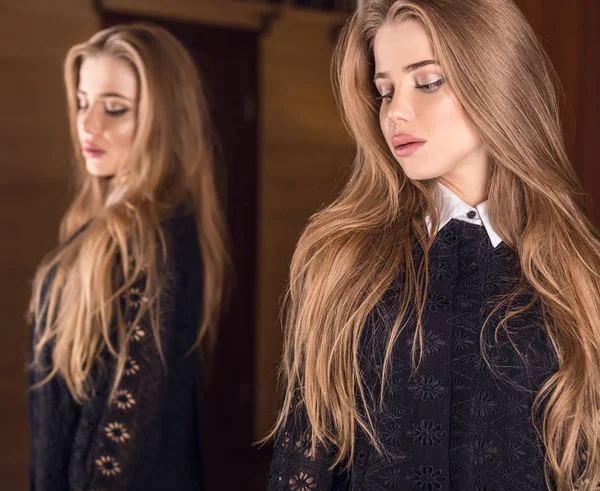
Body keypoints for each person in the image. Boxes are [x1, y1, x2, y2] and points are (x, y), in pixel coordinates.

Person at [267, 0, 600, 489]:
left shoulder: (580, 271)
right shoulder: (341, 261)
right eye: (384, 91)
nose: (397, 111)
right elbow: (303, 460)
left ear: (496, 78)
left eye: (427, 82)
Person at [28, 23, 226, 491]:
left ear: (164, 121)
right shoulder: (100, 224)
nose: (88, 124)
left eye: (114, 109)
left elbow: (121, 442)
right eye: (82, 102)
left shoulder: (152, 242)